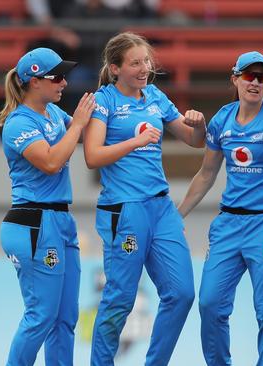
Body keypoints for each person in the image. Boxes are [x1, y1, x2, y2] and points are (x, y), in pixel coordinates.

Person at [176, 51, 263, 366]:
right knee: (210, 304)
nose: (255, 82)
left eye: (262, 77)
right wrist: (178, 214)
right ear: (235, 79)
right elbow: (207, 174)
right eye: (249, 76)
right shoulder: (221, 120)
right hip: (228, 225)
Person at [84, 31, 204, 365]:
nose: (144, 68)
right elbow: (92, 156)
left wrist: (200, 124)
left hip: (161, 207)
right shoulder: (103, 101)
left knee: (181, 294)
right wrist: (133, 144)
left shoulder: (154, 96)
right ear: (114, 68)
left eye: (146, 61)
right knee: (120, 298)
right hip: (124, 209)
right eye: (135, 62)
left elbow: (194, 140)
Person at [0, 47, 95, 366]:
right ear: (33, 81)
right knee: (41, 316)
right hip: (32, 224)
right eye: (56, 76)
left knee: (65, 319)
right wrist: (77, 125)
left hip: (59, 221)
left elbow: (89, 128)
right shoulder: (17, 123)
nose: (64, 82)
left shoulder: (53, 113)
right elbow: (52, 162)